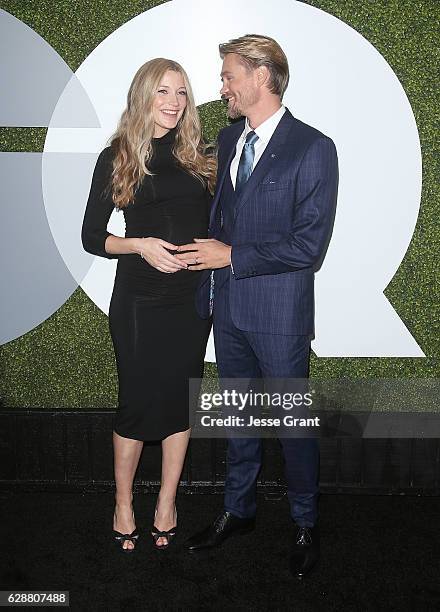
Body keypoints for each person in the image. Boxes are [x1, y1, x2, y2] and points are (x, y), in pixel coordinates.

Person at [175, 34, 338, 578]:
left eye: (228, 76)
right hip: (229, 311)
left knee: (293, 426)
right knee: (238, 420)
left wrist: (232, 254)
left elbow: (308, 246)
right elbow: (221, 215)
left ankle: (305, 523)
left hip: (280, 317)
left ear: (261, 76)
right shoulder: (226, 137)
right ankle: (237, 511)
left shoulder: (313, 148)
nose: (221, 86)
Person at [81, 58, 215, 552]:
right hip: (138, 300)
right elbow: (92, 238)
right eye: (163, 91)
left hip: (191, 300)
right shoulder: (118, 156)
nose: (174, 102)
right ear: (143, 96)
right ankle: (122, 503)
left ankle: (166, 503)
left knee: (180, 401)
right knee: (137, 402)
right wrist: (140, 244)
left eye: (181, 92)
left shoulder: (202, 157)